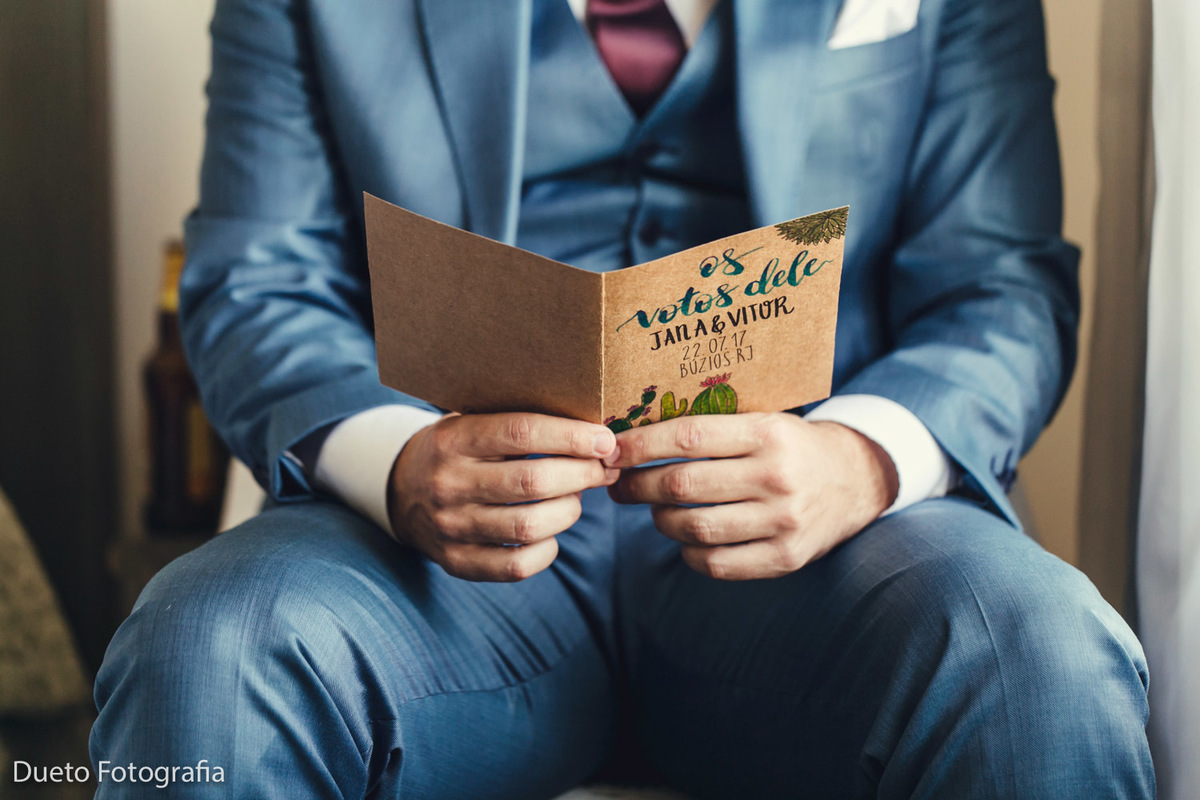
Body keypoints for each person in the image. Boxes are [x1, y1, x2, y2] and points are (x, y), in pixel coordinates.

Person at [90, 0, 1155, 797]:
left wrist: (858, 460)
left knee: (1039, 649)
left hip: (826, 558)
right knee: (207, 645)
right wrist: (400, 462)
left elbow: (1002, 285)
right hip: (433, 564)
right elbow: (255, 277)